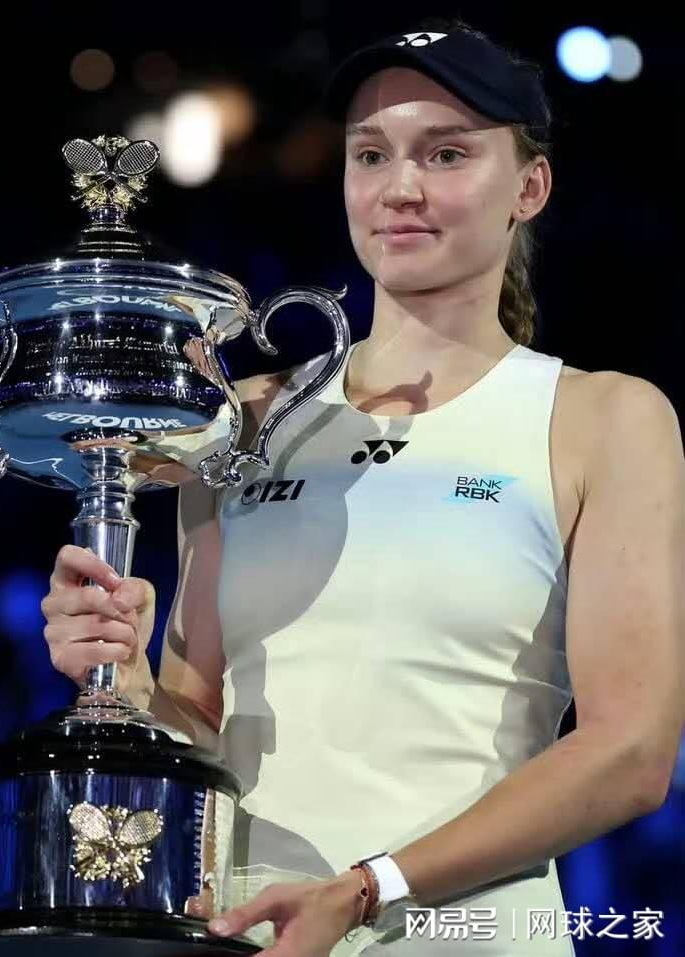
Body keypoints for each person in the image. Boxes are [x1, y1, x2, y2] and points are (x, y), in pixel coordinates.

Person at [41, 19, 685, 957]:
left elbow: (630, 754)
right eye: (372, 154)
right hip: (249, 937)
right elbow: (203, 726)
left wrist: (365, 888)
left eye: (447, 153)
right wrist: (125, 676)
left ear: (530, 187)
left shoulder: (604, 419)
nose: (401, 187)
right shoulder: (242, 417)